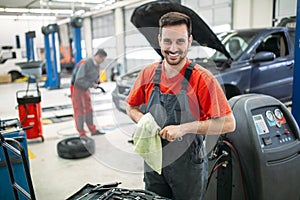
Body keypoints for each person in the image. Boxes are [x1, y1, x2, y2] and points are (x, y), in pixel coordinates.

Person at [126, 12, 236, 200]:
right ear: (159, 40)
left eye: (180, 41)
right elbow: (131, 107)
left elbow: (228, 123)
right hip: (154, 163)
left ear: (189, 41)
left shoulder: (202, 79)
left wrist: (185, 128)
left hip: (187, 168)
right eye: (167, 41)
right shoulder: (148, 74)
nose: (173, 48)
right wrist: (143, 120)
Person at [71, 48, 107, 137]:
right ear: (98, 56)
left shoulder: (96, 65)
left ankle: (93, 130)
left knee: (88, 109)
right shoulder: (85, 63)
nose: (102, 61)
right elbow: (78, 80)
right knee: (79, 109)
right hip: (77, 88)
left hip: (85, 87)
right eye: (102, 59)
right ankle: (81, 132)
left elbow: (93, 76)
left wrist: (96, 81)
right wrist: (92, 84)